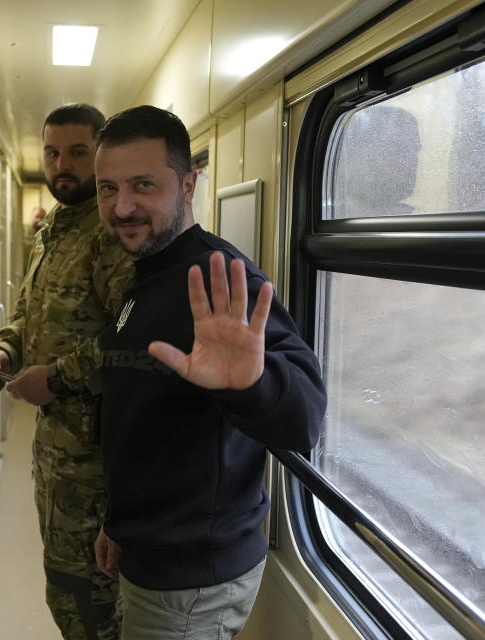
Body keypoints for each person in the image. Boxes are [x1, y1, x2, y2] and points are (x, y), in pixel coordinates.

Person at [91, 105, 325, 639]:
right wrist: (119, 523)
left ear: (190, 182)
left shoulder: (220, 278)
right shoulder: (148, 272)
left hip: (191, 582)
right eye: (107, 189)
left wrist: (252, 383)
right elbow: (143, 419)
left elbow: (304, 420)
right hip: (152, 550)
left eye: (143, 185)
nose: (121, 206)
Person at [0, 103, 133, 640]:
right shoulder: (50, 233)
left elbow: (133, 344)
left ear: (100, 156)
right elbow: (26, 316)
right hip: (54, 455)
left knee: (91, 606)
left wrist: (57, 378)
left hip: (97, 466)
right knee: (65, 593)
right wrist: (4, 354)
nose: (62, 164)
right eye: (52, 151)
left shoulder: (112, 237)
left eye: (78, 152)